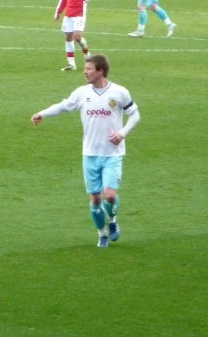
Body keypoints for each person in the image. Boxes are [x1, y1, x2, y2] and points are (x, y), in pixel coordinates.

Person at [30, 55, 140, 248]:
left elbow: (135, 115)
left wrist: (122, 133)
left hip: (112, 154)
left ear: (101, 71)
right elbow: (64, 106)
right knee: (96, 198)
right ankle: (102, 233)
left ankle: (112, 220)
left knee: (110, 195)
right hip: (90, 154)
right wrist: (43, 113)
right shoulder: (82, 93)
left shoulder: (119, 92)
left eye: (89, 68)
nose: (85, 71)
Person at [55, 0, 92, 72]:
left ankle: (88, 56)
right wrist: (58, 11)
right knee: (68, 36)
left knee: (77, 36)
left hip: (79, 11)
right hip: (69, 12)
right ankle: (71, 64)